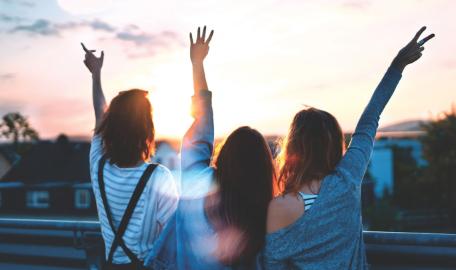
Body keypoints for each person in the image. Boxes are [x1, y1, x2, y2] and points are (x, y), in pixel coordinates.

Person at [264, 27, 435, 269]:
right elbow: (369, 120)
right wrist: (397, 66)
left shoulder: (279, 207)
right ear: (334, 145)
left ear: (292, 146)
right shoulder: (347, 179)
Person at [147, 26, 275, 270]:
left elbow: (202, 125)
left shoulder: (198, 184)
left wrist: (197, 64)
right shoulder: (265, 215)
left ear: (225, 155)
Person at [82, 43, 179, 269]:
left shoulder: (98, 166)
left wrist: (96, 75)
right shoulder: (159, 178)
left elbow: (100, 117)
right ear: (147, 131)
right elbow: (173, 237)